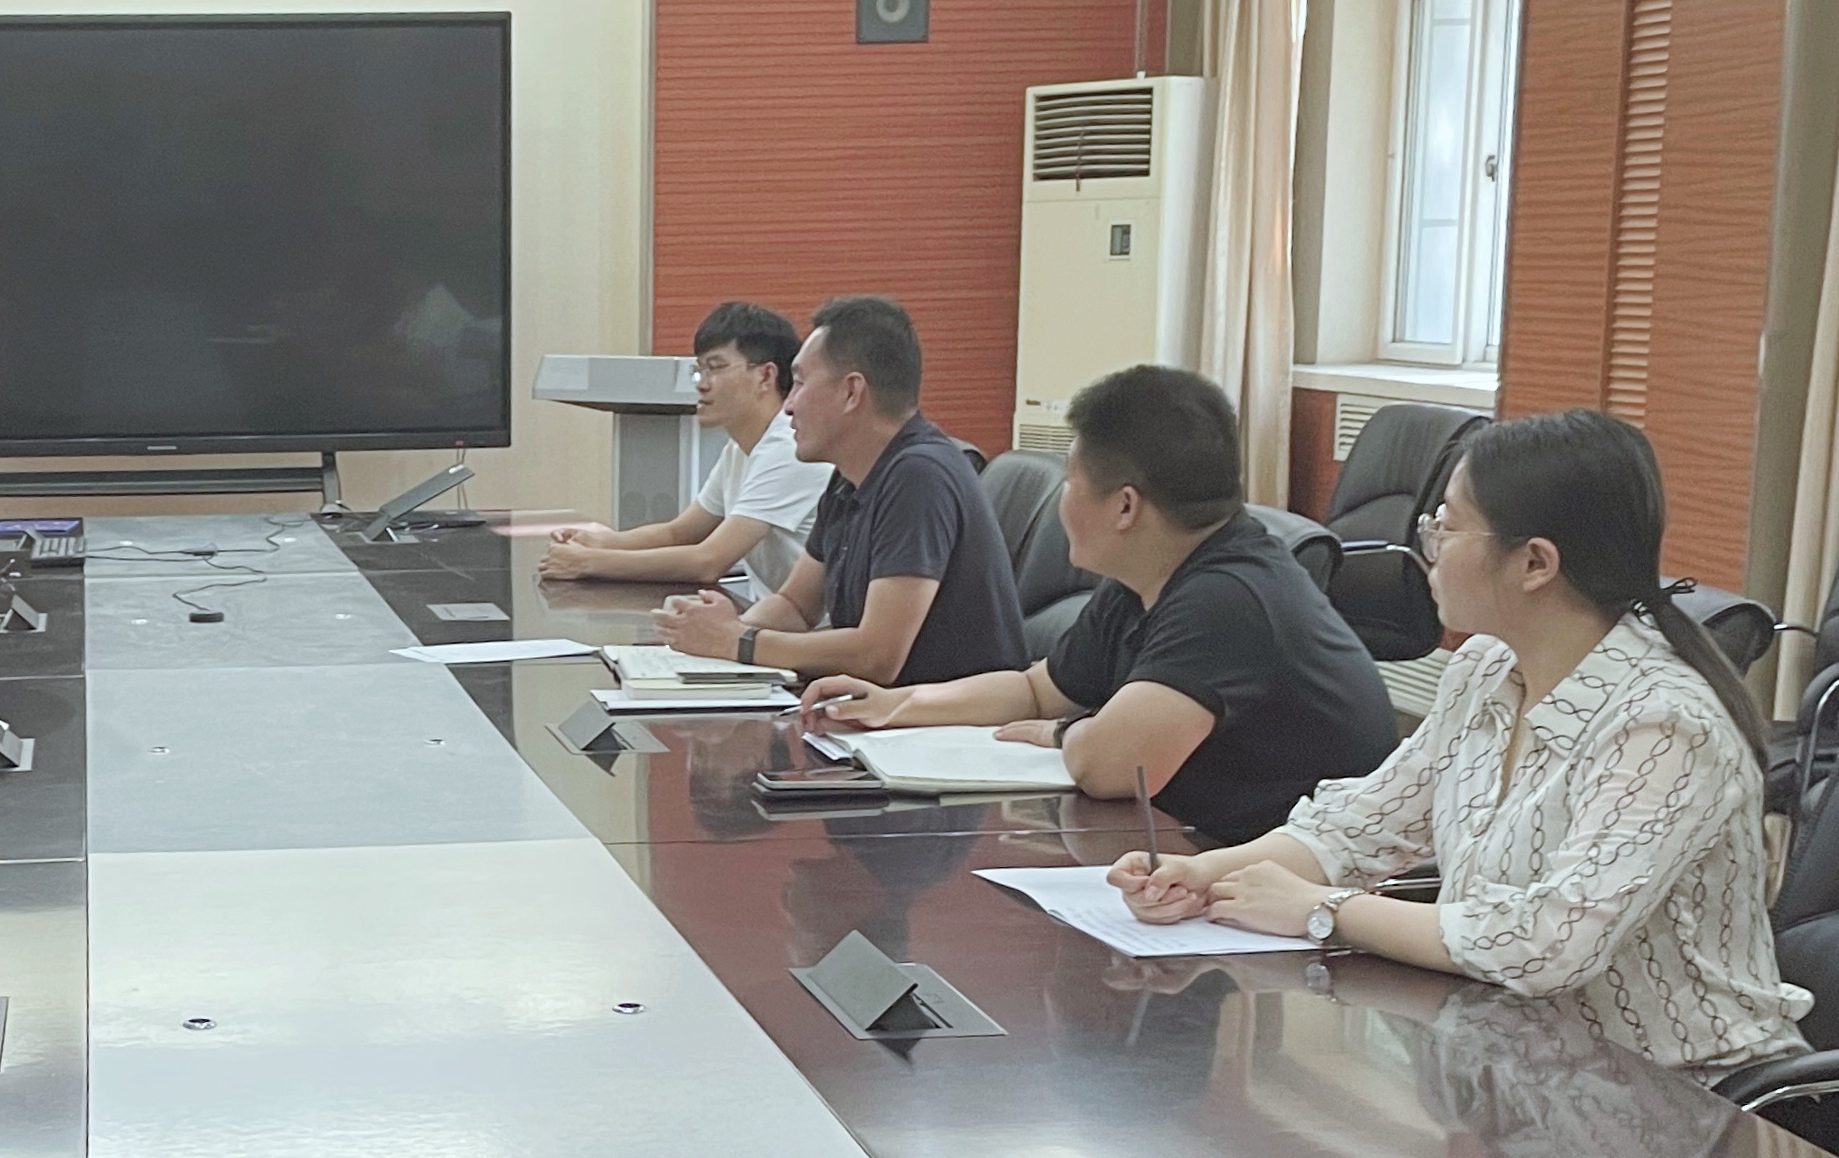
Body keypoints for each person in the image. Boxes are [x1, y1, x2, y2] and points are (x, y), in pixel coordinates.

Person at [1119, 409, 1805, 1158]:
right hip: (1524, 1057)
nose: (1424, 544)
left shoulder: (1662, 720)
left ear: (1534, 560)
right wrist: (1209, 874)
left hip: (1682, 1097)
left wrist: (1321, 912)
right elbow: (1362, 822)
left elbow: (1547, 940)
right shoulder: (1490, 670)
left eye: (1446, 524)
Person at [804, 364, 1396, 845]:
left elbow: (1116, 767)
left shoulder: (1229, 599)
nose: (1063, 498)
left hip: (1307, 893)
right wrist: (898, 705)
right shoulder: (1146, 576)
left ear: (1125, 507)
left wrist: (1064, 733)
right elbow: (1036, 690)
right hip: (1208, 858)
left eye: (1071, 480)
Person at [649, 295, 1025, 689]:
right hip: (880, 707)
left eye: (799, 383)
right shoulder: (850, 476)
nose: (788, 406)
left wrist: (739, 642)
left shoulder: (919, 476)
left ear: (851, 392)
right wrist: (719, 631)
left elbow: (877, 656)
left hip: (948, 718)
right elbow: (796, 606)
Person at [539, 302, 827, 598]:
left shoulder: (788, 447)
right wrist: (598, 542)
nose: (702, 385)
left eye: (716, 368)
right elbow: (678, 533)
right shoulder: (739, 449)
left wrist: (587, 563)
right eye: (699, 371)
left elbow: (709, 561)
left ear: (765, 376)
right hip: (772, 614)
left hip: (811, 623)